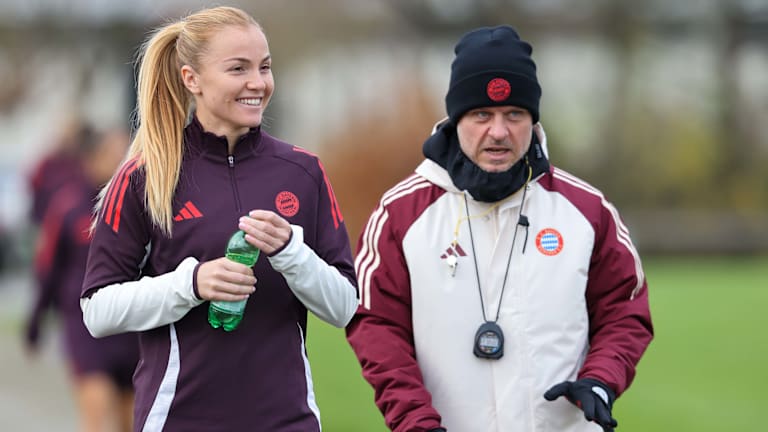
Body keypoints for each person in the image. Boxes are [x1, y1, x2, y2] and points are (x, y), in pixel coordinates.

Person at [346, 25, 654, 432]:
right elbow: (376, 326)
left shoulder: (587, 210)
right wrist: (415, 421)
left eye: (514, 114)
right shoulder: (399, 215)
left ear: (533, 119)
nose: (498, 131)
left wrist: (601, 379)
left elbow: (625, 309)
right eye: (481, 115)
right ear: (455, 119)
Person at [79, 6, 358, 432]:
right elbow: (98, 311)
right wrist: (191, 284)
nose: (258, 83)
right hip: (180, 420)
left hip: (288, 421)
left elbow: (343, 307)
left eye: (265, 67)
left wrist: (291, 253)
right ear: (192, 79)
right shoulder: (145, 175)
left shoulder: (303, 172)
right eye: (238, 68)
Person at [24, 125, 138, 432]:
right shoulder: (68, 205)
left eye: (126, 153)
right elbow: (48, 267)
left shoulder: (139, 203)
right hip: (84, 325)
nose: (120, 160)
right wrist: (35, 321)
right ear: (91, 159)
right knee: (96, 407)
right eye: (112, 154)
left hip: (131, 324)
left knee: (132, 421)